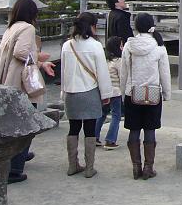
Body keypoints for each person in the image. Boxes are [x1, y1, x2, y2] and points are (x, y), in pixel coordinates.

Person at [0, 0, 55, 184]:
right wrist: (38, 55)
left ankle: (19, 156)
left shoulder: (11, 28)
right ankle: (15, 168)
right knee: (26, 124)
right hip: (20, 84)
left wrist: (41, 63)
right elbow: (21, 53)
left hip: (6, 80)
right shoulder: (28, 28)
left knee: (14, 123)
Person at [60, 12, 113, 178]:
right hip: (89, 91)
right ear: (92, 26)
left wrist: (63, 91)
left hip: (71, 91)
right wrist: (106, 93)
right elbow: (102, 72)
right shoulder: (95, 45)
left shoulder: (67, 45)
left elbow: (63, 71)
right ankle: (89, 167)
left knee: (73, 128)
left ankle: (72, 164)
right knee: (89, 129)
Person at [120, 12, 171, 180]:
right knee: (150, 130)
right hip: (153, 93)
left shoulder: (129, 46)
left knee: (134, 130)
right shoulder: (159, 47)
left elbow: (124, 72)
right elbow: (164, 73)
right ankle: (149, 167)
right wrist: (167, 93)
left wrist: (123, 92)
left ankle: (136, 167)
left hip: (132, 93)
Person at [95, 36, 123, 149]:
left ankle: (94, 137)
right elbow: (122, 77)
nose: (122, 47)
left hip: (105, 91)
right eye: (121, 45)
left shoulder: (104, 61)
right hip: (116, 92)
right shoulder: (119, 61)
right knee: (116, 115)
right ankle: (110, 140)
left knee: (102, 114)